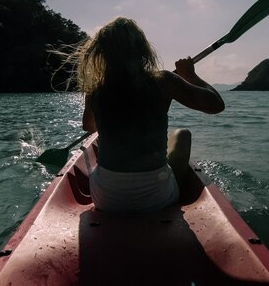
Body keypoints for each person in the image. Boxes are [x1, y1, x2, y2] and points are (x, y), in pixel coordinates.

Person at [75, 17, 224, 213]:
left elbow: (89, 126)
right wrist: (189, 75)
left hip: (106, 199)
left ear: (102, 54)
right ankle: (173, 184)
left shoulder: (96, 90)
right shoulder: (164, 81)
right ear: (143, 50)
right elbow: (216, 105)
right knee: (183, 134)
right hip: (157, 198)